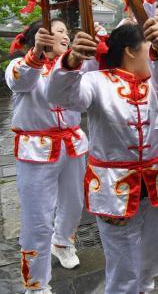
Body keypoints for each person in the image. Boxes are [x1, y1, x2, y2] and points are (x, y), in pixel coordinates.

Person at [47, 18, 158, 293]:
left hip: (157, 184)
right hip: (114, 190)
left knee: (152, 258)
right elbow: (61, 95)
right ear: (131, 50)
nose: (153, 53)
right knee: (122, 268)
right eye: (148, 46)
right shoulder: (95, 81)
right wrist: (72, 60)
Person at [6, 20, 91, 294]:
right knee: (38, 219)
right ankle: (37, 284)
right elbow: (19, 80)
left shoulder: (74, 67)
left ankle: (63, 243)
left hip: (72, 144)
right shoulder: (22, 65)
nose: (65, 35)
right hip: (37, 151)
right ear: (39, 38)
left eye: (67, 31)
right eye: (58, 32)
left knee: (75, 203)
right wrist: (36, 55)